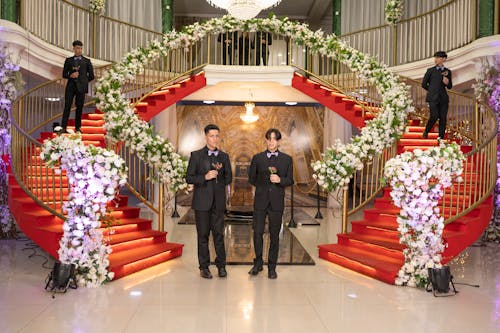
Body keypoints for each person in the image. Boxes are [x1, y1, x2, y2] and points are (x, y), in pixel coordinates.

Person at [186, 124, 233, 279]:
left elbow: (229, 178)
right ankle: (204, 267)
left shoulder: (224, 157)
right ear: (206, 136)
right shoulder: (196, 155)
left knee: (219, 235)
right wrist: (205, 177)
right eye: (212, 135)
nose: (215, 138)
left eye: (217, 136)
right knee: (203, 236)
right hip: (201, 203)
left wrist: (220, 178)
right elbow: (189, 177)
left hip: (218, 202)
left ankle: (221, 266)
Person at [248, 128, 293, 279]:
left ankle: (272, 267)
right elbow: (251, 179)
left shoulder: (287, 159)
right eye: (269, 139)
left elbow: (290, 180)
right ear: (266, 140)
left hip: (276, 202)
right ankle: (258, 263)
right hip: (260, 201)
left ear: (279, 141)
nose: (272, 141)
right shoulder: (257, 158)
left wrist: (280, 180)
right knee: (257, 233)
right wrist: (264, 182)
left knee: (274, 235)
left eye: (274, 139)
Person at [61, 40, 94, 133]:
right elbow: (64, 74)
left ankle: (78, 127)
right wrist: (70, 75)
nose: (78, 50)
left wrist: (83, 81)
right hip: (70, 87)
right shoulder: (68, 60)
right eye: (76, 48)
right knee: (67, 106)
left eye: (80, 48)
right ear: (73, 49)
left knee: (79, 107)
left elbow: (91, 76)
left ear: (82, 49)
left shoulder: (87, 61)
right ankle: (63, 127)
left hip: (81, 87)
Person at [422, 50, 453, 139]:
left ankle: (441, 138)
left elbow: (450, 86)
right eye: (435, 57)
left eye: (438, 57)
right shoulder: (430, 71)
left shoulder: (447, 71)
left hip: (443, 98)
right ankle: (426, 130)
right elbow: (424, 84)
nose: (436, 59)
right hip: (432, 98)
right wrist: (431, 90)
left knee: (443, 118)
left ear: (443, 59)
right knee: (434, 115)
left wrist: (447, 82)